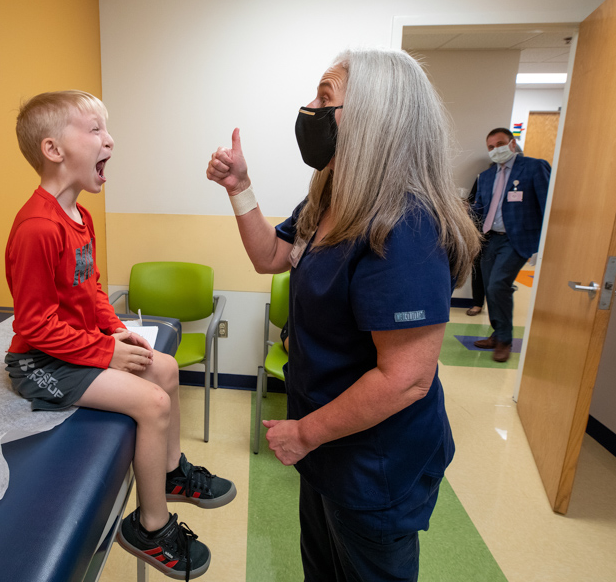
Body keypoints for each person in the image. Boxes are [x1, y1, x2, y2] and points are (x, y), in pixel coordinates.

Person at [206, 49, 480, 582]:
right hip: (328, 440)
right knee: (324, 568)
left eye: (324, 99)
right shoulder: (332, 197)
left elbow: (405, 380)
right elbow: (271, 257)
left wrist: (305, 434)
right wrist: (239, 189)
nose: (309, 109)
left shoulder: (406, 227)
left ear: (376, 121)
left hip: (374, 458)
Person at [4, 90, 235, 581]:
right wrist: (104, 351)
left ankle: (171, 471)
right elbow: (34, 325)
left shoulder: (80, 218)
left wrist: (113, 331)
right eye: (95, 130)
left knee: (166, 367)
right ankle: (150, 527)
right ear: (54, 150)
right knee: (150, 404)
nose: (110, 139)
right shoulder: (36, 228)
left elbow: (92, 293)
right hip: (38, 365)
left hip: (77, 348)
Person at [471, 128, 550, 362]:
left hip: (515, 239)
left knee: (498, 285)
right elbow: (480, 208)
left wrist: (545, 243)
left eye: (500, 144)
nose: (496, 150)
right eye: (491, 147)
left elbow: (547, 205)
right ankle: (498, 333)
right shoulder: (485, 177)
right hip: (490, 238)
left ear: (512, 144)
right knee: (490, 287)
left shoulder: (535, 167)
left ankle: (504, 340)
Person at [464, 177, 487, 316]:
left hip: (507, 234)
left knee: (497, 278)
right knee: (477, 268)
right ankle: (477, 303)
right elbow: (472, 204)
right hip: (482, 230)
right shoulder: (484, 177)